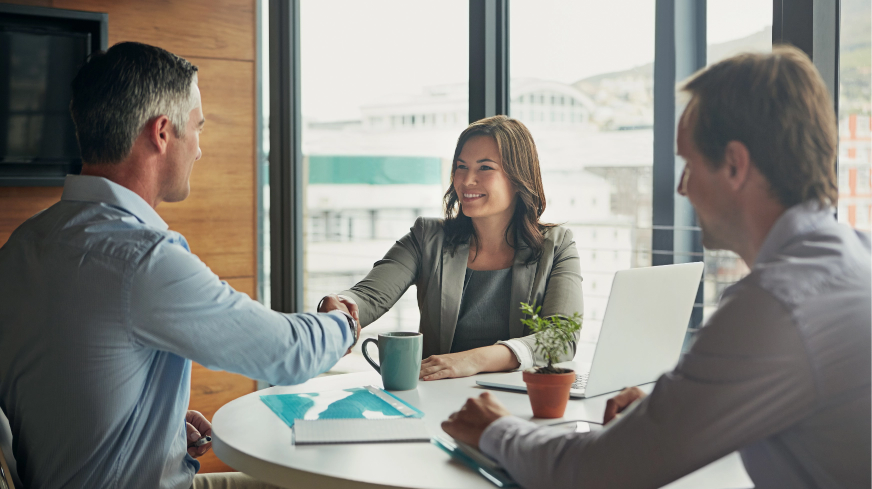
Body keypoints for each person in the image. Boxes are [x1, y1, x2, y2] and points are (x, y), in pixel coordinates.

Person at [442, 46, 872, 489]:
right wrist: (674, 414)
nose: (683, 188)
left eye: (689, 163)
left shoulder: (776, 305)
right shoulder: (856, 259)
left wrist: (495, 428)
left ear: (735, 165)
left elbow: (594, 473)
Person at [0, 42, 359, 489]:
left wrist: (158, 428)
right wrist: (342, 323)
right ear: (163, 132)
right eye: (198, 128)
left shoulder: (23, 246)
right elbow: (285, 353)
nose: (199, 150)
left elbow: (65, 388)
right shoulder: (141, 259)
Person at [318, 116, 583, 381]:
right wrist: (342, 305)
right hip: (436, 401)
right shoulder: (427, 237)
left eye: (485, 168)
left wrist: (474, 360)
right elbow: (370, 296)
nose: (467, 180)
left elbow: (561, 339)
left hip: (520, 402)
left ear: (518, 178)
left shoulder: (557, 246)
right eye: (460, 167)